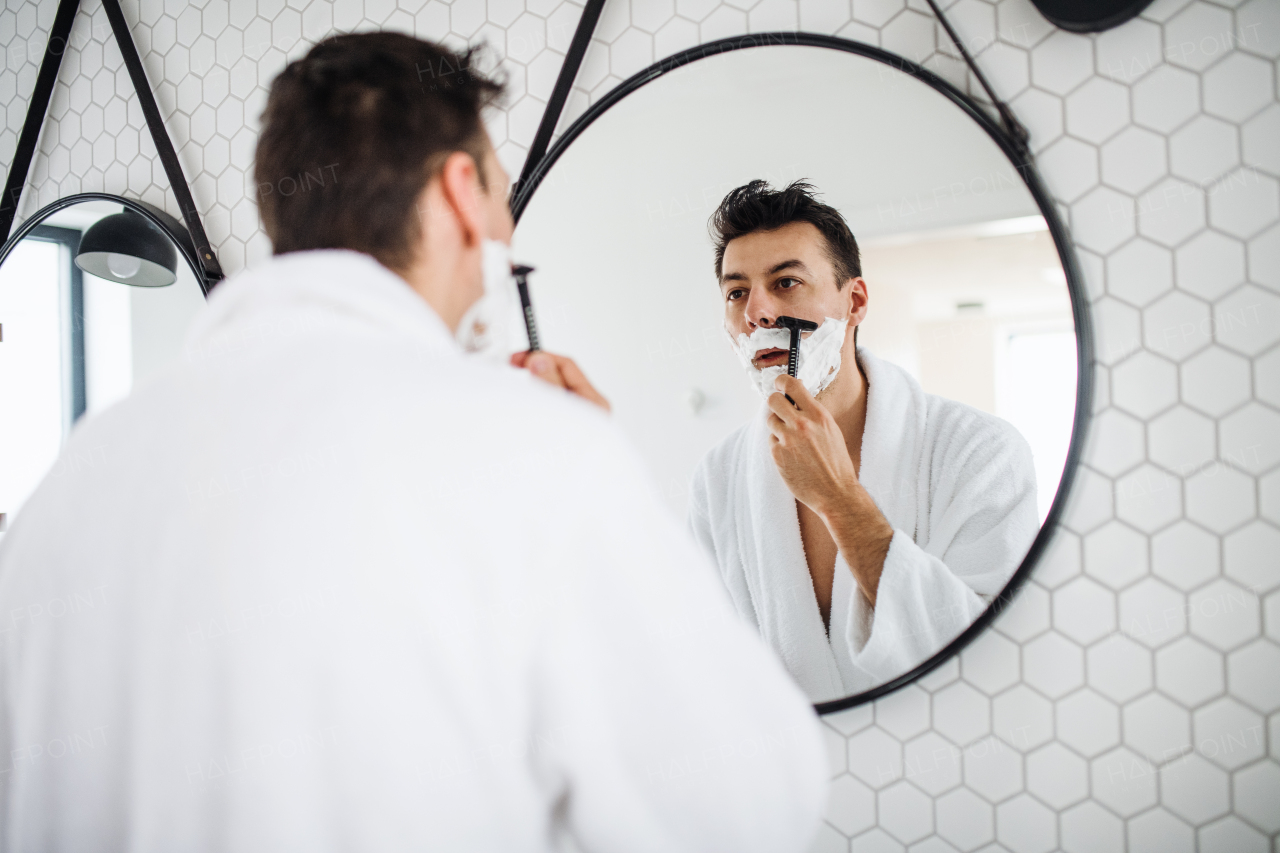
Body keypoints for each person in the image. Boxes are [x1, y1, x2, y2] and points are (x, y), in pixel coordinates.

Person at [0, 35, 826, 850]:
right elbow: (749, 807)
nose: (504, 227)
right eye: (501, 194)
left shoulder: (69, 484)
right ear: (463, 191)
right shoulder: (536, 455)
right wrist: (603, 485)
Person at [688, 180, 1039, 704]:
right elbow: (710, 666)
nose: (756, 312)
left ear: (855, 302)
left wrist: (839, 500)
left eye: (785, 283)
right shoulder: (718, 479)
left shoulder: (981, 452)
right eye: (736, 292)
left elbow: (989, 664)